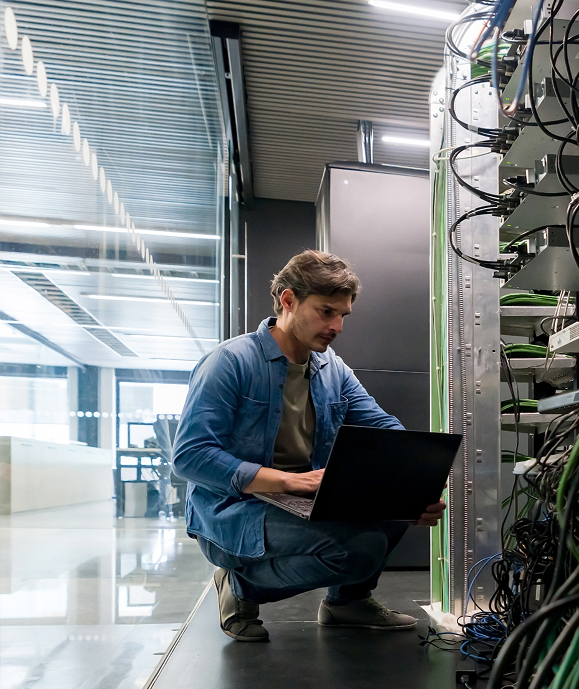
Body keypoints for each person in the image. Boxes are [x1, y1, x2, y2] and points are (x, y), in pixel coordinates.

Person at [173, 250, 444, 642]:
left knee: (392, 513)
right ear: (288, 300)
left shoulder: (333, 369)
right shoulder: (230, 362)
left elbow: (383, 429)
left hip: (301, 499)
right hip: (233, 509)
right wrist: (288, 482)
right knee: (362, 547)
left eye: (343, 316)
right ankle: (239, 585)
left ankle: (346, 603)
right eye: (326, 312)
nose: (337, 326)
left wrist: (411, 485)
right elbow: (190, 456)